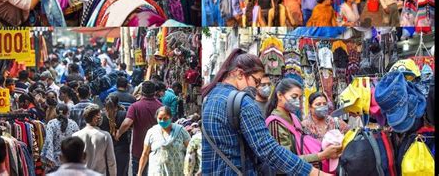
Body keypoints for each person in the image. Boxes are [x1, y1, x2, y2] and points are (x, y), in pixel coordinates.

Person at [202, 48, 332, 176]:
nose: (257, 87)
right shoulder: (243, 102)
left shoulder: (209, 97)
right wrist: (316, 173)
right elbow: (269, 150)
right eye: (257, 81)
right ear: (240, 74)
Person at [266, 79, 342, 166]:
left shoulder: (294, 118)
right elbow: (284, 161)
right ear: (280, 95)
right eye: (294, 97)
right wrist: (321, 155)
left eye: (300, 98)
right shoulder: (275, 123)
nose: (298, 101)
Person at [115, 81, 163, 176]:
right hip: (157, 149)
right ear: (154, 92)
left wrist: (119, 133)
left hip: (139, 150)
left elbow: (127, 123)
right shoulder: (161, 107)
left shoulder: (135, 106)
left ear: (141, 92)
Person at [138, 106, 191, 176]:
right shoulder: (151, 132)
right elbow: (145, 154)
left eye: (165, 118)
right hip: (157, 171)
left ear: (171, 118)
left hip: (177, 171)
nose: (162, 121)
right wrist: (139, 173)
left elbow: (191, 150)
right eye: (160, 119)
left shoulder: (181, 131)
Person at [73, 104, 117, 175]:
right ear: (95, 118)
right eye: (99, 115)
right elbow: (111, 161)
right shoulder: (105, 136)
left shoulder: (76, 136)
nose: (100, 117)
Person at [41, 103, 80, 172]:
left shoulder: (51, 123)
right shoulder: (74, 124)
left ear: (56, 112)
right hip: (70, 159)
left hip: (55, 161)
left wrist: (49, 158)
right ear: (68, 112)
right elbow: (78, 142)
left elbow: (48, 141)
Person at [100, 95, 131, 176]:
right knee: (122, 172)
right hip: (122, 148)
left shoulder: (101, 116)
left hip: (106, 148)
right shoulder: (124, 114)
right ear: (118, 104)